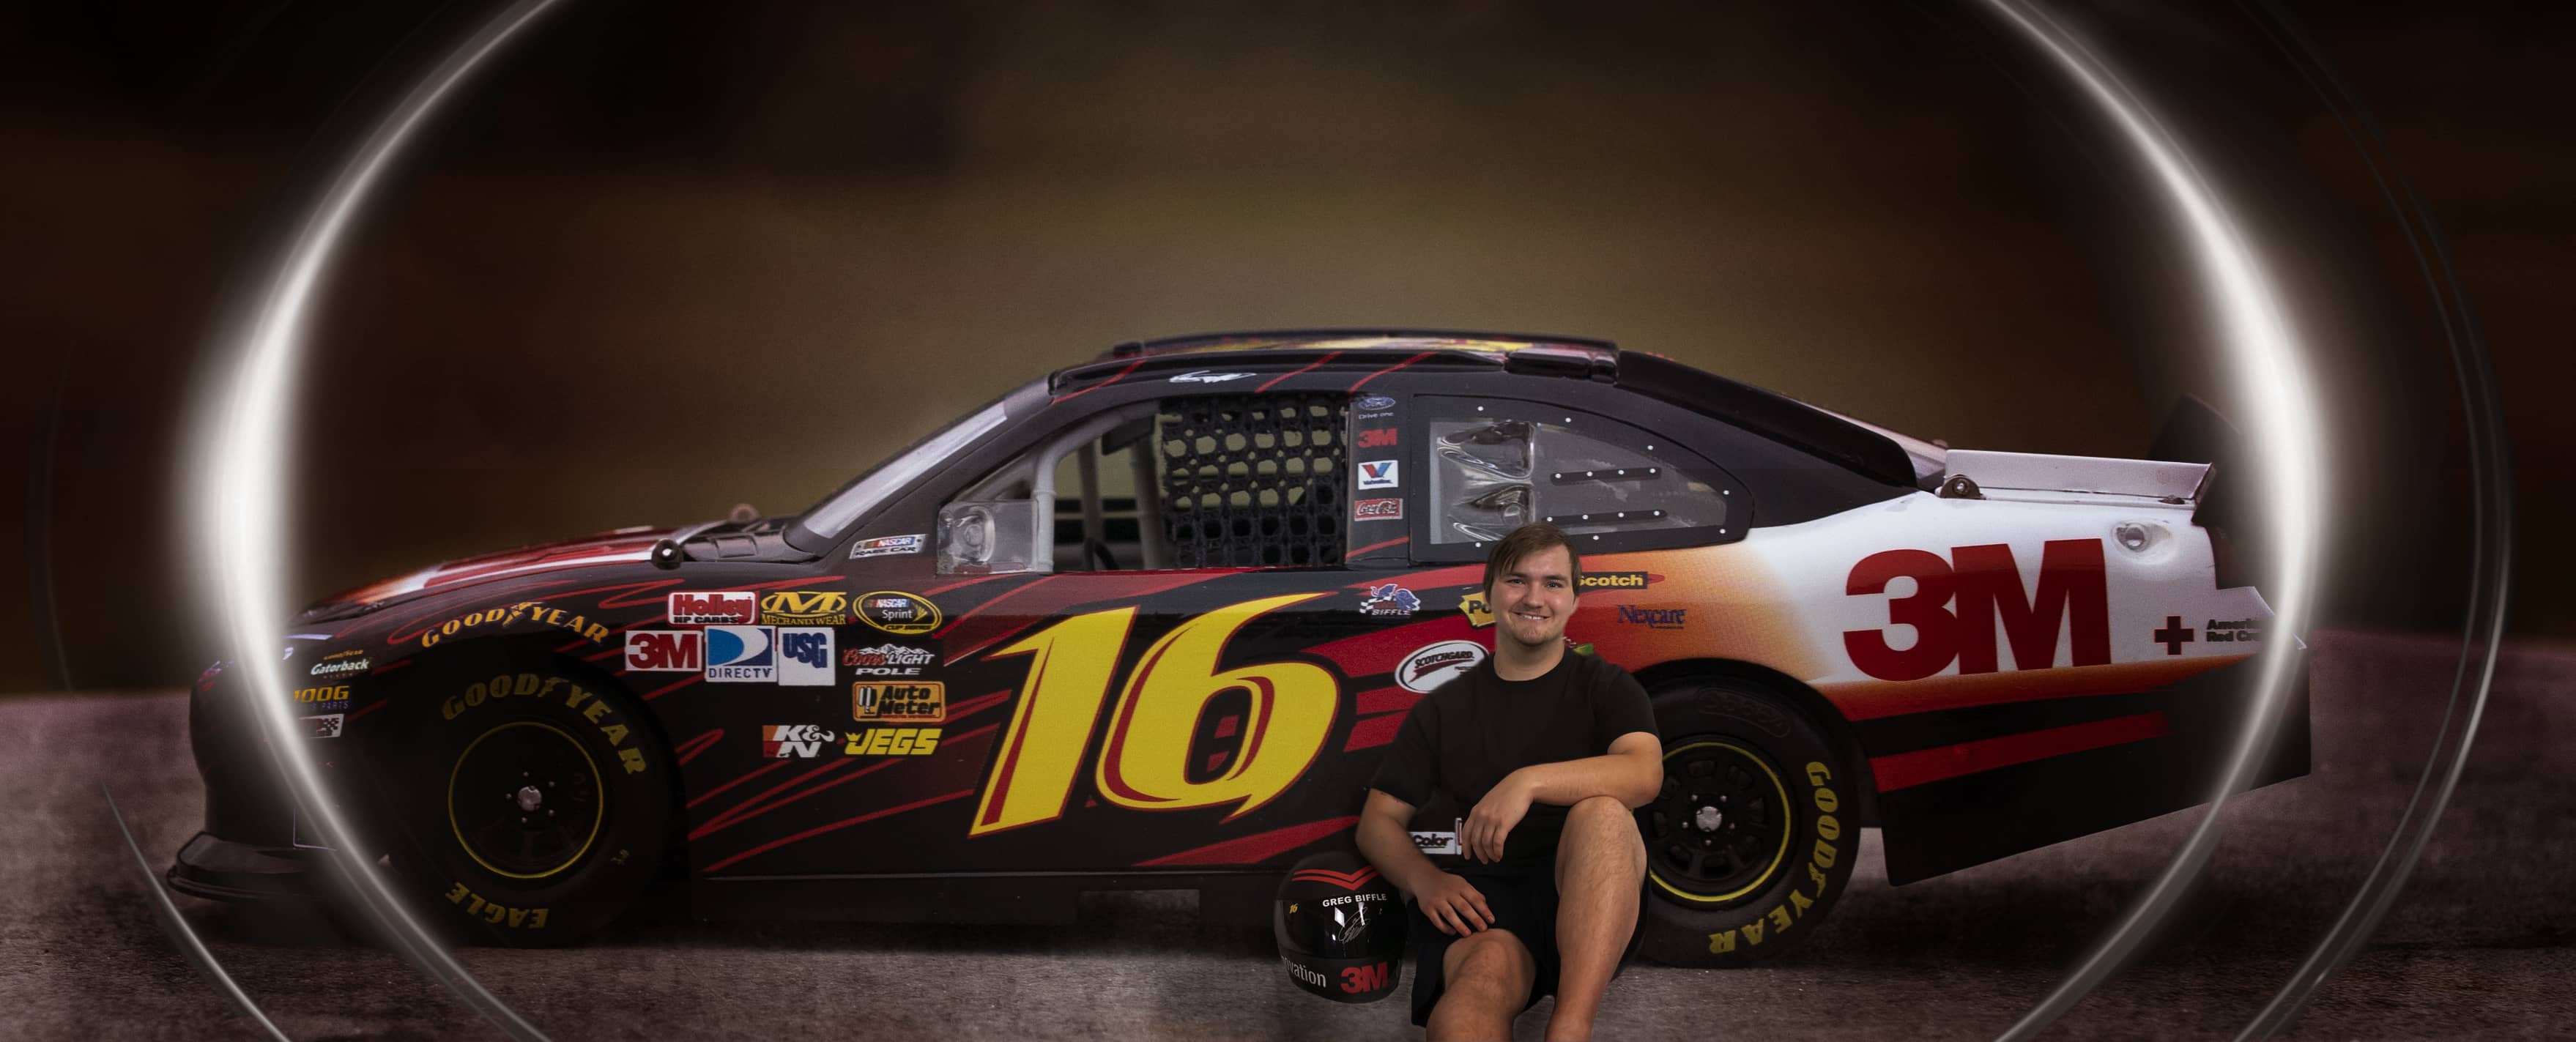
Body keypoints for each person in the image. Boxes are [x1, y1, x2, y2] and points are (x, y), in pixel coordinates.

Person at [1355, 522, 1661, 1041]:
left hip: (1588, 889)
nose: (1534, 597)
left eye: (1553, 583)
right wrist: (1425, 880)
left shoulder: (1606, 686)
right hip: (1486, 899)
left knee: (1603, 812)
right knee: (1471, 999)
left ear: (1573, 600)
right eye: (1517, 581)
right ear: (1488, 595)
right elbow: (1376, 822)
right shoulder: (1445, 708)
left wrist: (1527, 781)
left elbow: (1643, 773)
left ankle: (1569, 1028)